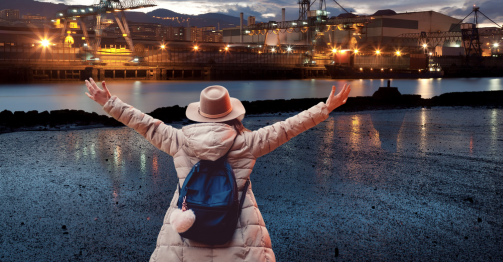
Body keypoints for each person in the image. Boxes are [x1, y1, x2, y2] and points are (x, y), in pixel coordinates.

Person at [84, 78, 351, 262]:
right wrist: (326, 107)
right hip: (238, 228)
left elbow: (145, 124)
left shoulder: (179, 140)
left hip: (187, 225)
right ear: (233, 115)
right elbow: (288, 127)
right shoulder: (247, 143)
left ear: (199, 113)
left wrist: (108, 102)